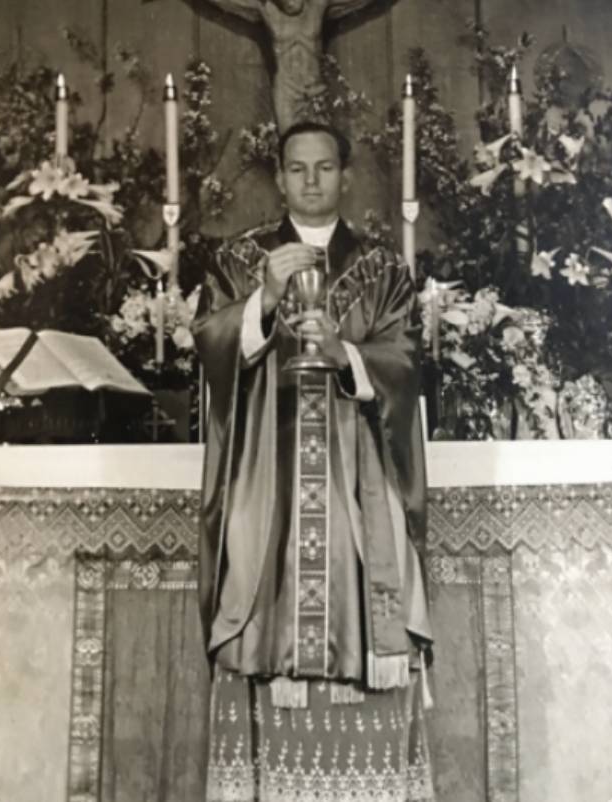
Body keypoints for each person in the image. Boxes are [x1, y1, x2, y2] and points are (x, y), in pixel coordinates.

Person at [192, 120, 435, 801]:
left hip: (352, 475)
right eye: (297, 169)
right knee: (260, 573)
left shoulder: (384, 269)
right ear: (279, 176)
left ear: (346, 176)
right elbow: (209, 344)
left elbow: (408, 361)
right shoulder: (242, 261)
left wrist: (346, 355)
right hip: (265, 473)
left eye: (324, 168)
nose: (310, 181)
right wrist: (263, 302)